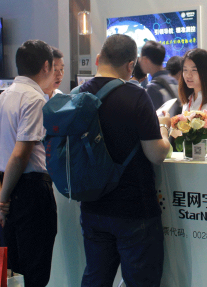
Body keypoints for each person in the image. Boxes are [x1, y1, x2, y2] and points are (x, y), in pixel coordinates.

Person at [77, 34, 171, 287]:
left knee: (96, 278)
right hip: (134, 208)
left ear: (99, 58)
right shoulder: (136, 96)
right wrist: (164, 129)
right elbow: (156, 154)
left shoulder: (78, 95)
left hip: (92, 205)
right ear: (131, 66)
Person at [0, 40, 58, 287]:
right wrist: (2, 199)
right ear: (46, 66)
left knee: (12, 272)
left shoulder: (1, 99)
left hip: (5, 190)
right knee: (35, 273)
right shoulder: (35, 99)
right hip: (30, 193)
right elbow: (20, 154)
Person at [139, 40, 178, 110]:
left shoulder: (153, 88)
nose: (139, 61)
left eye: (141, 58)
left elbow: (154, 115)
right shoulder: (174, 81)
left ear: (146, 60)